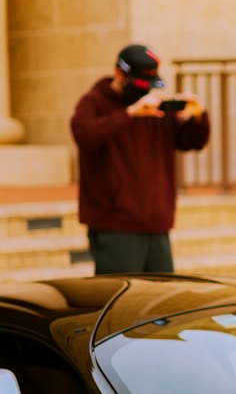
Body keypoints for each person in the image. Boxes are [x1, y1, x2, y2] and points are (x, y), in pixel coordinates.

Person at [70, 44, 210, 275]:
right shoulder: (95, 101)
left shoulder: (155, 105)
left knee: (161, 300)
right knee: (121, 303)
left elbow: (190, 141)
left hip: (157, 221)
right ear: (119, 75)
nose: (144, 92)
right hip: (115, 224)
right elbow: (83, 134)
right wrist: (130, 113)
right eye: (139, 86)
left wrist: (199, 116)